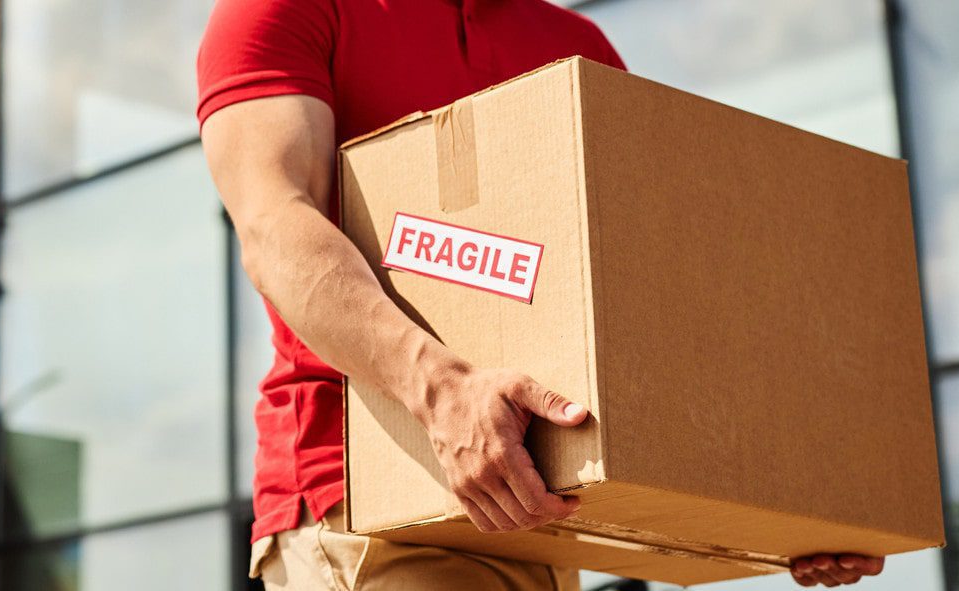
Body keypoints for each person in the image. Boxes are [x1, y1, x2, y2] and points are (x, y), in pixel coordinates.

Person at [196, 0, 885, 588]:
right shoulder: (290, 8)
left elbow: (646, 290)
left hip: (548, 510)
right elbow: (273, 225)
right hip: (370, 506)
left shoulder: (577, 46)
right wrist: (442, 391)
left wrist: (786, 499)